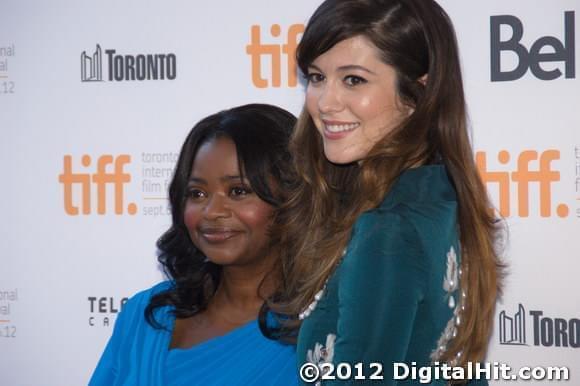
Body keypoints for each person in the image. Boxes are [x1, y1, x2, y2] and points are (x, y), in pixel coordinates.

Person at [263, 0, 504, 384]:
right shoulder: (442, 193)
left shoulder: (388, 231)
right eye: (316, 77)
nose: (325, 103)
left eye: (353, 79)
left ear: (415, 93)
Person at [89, 104, 299, 386]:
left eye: (238, 191)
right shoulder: (148, 313)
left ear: (293, 199)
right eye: (197, 193)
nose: (211, 211)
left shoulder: (323, 328)